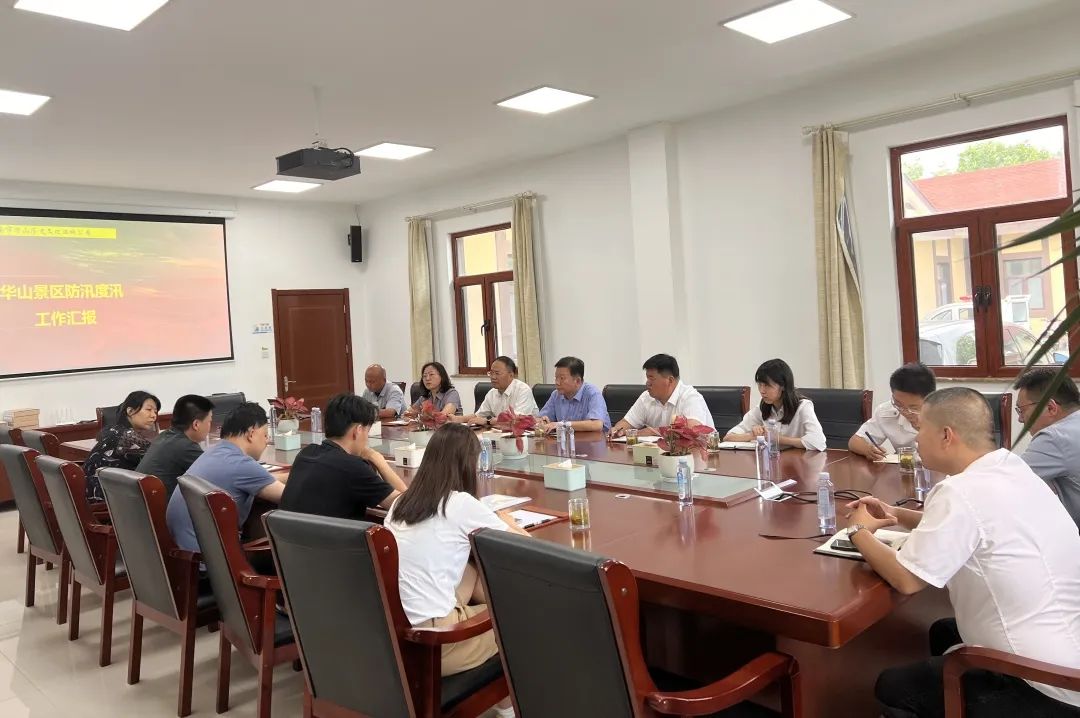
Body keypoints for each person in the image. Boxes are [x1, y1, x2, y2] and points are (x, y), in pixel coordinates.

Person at [844, 388, 1080, 717]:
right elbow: (975, 525)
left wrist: (857, 531)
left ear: (946, 435)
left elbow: (906, 579)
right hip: (1068, 653)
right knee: (942, 631)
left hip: (1042, 685)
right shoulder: (1009, 466)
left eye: (920, 429)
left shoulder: (959, 491)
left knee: (892, 685)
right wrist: (895, 513)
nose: (915, 439)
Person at [385, 423, 525, 718]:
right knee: (520, 619)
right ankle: (509, 707)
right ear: (467, 464)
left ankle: (504, 703)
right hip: (435, 643)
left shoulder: (400, 503)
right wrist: (506, 520)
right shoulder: (460, 504)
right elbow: (523, 547)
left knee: (471, 570)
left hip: (393, 634)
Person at [166, 402, 285, 553]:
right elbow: (290, 498)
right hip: (211, 559)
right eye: (265, 435)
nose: (267, 440)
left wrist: (294, 476)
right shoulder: (241, 464)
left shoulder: (215, 452)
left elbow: (263, 479)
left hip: (185, 554)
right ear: (251, 434)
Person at [280, 393, 406, 520]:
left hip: (289, 532)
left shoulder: (306, 454)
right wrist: (380, 461)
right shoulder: (354, 468)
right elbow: (407, 506)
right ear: (358, 430)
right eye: (367, 431)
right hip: (334, 534)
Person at [1014, 367, 1080, 529]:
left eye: (1022, 410)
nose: (1020, 419)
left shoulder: (1055, 437)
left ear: (1051, 407)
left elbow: (1008, 481)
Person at [723, 359, 826, 451]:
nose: (762, 391)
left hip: (799, 462)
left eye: (767, 385)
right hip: (773, 461)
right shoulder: (762, 407)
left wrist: (778, 439)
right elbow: (728, 437)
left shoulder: (803, 406)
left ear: (783, 386)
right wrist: (753, 435)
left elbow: (818, 441)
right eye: (759, 385)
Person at [609, 354, 714, 437]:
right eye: (647, 378)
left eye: (651, 378)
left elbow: (693, 430)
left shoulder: (690, 397)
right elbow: (627, 422)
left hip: (701, 455)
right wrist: (617, 430)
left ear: (670, 380)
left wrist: (653, 431)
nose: (647, 383)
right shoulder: (646, 397)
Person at [83, 391, 161, 502]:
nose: (153, 416)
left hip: (90, 493)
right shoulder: (127, 437)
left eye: (155, 411)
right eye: (148, 410)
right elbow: (158, 458)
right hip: (103, 500)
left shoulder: (113, 430)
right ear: (130, 411)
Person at [849, 362, 936, 460]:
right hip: (904, 466)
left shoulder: (944, 414)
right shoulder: (886, 411)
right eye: (898, 404)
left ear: (930, 399)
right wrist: (868, 450)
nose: (905, 412)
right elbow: (855, 441)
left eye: (913, 408)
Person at [136, 394, 214, 496]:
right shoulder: (185, 447)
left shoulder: (165, 436)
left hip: (142, 502)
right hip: (160, 504)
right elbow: (215, 475)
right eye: (209, 421)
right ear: (196, 424)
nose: (210, 425)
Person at [535, 356, 611, 433]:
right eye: (556, 378)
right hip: (568, 439)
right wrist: (543, 422)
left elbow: (596, 425)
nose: (557, 382)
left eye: (562, 378)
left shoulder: (593, 393)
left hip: (595, 439)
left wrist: (562, 425)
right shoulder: (556, 395)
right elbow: (541, 418)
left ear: (577, 381)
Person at [456, 356, 537, 426]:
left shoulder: (523, 390)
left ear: (511, 375)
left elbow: (517, 420)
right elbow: (479, 416)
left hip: (527, 434)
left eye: (497, 373)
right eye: (491, 373)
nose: (493, 377)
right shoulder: (492, 393)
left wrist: (488, 421)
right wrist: (458, 419)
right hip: (501, 433)